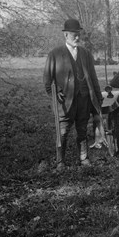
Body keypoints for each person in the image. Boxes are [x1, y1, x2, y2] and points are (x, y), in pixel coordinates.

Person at [43, 18, 103, 170]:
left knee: (82, 130)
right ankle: (60, 161)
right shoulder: (55, 54)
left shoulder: (86, 54)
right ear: (65, 35)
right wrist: (55, 95)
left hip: (84, 99)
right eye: (73, 34)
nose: (77, 37)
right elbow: (47, 80)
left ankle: (84, 158)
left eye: (78, 34)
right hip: (65, 102)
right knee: (63, 132)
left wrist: (98, 99)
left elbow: (93, 78)